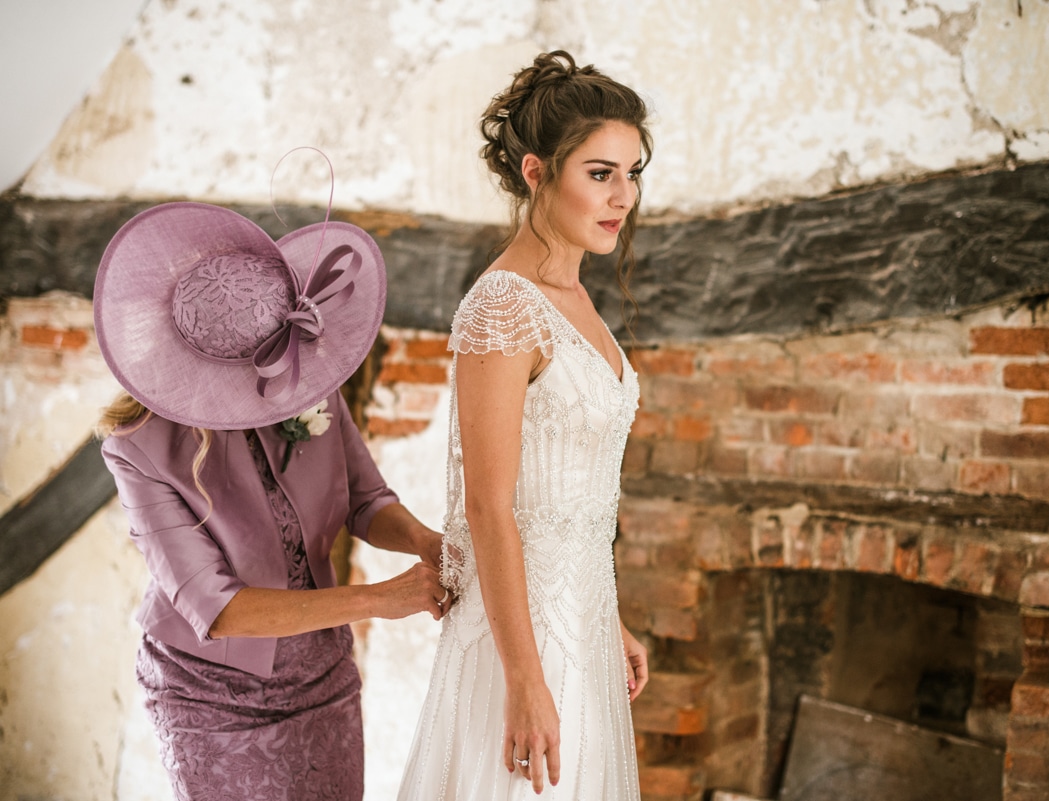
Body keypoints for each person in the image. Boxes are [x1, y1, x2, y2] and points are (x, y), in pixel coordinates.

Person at [93, 200, 452, 800]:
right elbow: (217, 608)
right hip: (208, 693)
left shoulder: (302, 379)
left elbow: (366, 498)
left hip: (322, 677)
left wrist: (427, 542)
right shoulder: (138, 449)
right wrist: (380, 600)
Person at [396, 50, 652, 800]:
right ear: (537, 172)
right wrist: (523, 678)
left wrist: (604, 620)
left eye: (631, 173)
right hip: (519, 650)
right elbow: (490, 506)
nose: (622, 196)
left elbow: (568, 498)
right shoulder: (503, 306)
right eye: (599, 173)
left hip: (578, 633)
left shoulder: (574, 298)